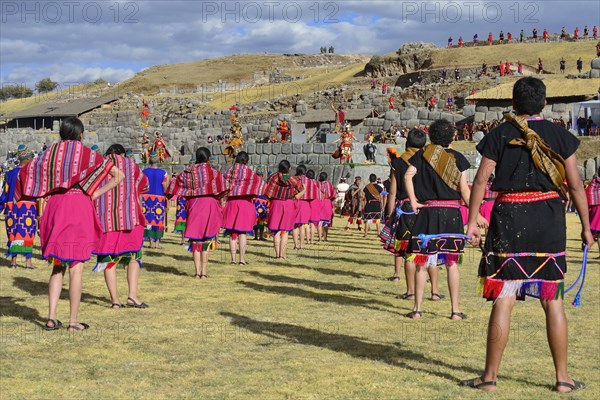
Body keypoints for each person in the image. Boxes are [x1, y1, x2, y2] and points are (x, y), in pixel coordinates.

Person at [462, 76, 592, 393]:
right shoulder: (561, 136)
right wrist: (587, 228)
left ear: (514, 104)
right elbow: (575, 185)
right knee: (553, 302)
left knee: (504, 300)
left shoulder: (499, 134)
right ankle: (563, 379)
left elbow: (480, 181)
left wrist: (471, 220)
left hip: (508, 220)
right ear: (544, 104)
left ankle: (490, 378)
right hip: (548, 221)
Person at [16, 117, 124, 331]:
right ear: (81, 134)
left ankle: (51, 317)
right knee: (76, 267)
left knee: (57, 266)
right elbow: (118, 175)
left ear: (61, 133)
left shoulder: (49, 154)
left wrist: (43, 190)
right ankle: (73, 322)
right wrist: (95, 192)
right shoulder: (88, 154)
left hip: (56, 206)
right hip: (79, 205)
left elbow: (25, 172)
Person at [404, 119, 487, 320]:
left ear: (431, 136)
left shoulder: (421, 156)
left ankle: (417, 310)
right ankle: (455, 311)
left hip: (428, 212)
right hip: (451, 213)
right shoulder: (458, 159)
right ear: (452, 137)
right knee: (452, 263)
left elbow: (407, 176)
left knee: (422, 262)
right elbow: (465, 191)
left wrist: (414, 202)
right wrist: (477, 216)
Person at [93, 144, 149, 309]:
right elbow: (143, 186)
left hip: (106, 220)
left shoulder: (99, 165)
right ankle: (132, 296)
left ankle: (115, 300)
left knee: (109, 260)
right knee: (133, 257)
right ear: (123, 154)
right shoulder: (131, 165)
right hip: (129, 219)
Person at [380, 129, 430, 295]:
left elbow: (392, 191)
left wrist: (389, 212)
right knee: (424, 248)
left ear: (407, 143)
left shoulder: (398, 162)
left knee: (408, 250)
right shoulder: (428, 160)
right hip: (425, 207)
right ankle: (433, 290)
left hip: (405, 209)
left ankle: (410, 291)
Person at [166, 147, 226, 278]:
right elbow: (224, 186)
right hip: (210, 205)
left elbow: (174, 184)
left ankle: (197, 272)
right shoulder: (213, 172)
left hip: (194, 204)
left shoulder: (188, 172)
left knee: (195, 240)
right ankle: (204, 272)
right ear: (209, 158)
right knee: (206, 240)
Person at [223, 151, 265, 265]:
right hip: (246, 203)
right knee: (242, 233)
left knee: (232, 233)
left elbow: (223, 184)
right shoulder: (249, 173)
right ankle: (242, 259)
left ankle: (233, 260)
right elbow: (261, 185)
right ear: (246, 161)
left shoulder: (229, 171)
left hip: (232, 203)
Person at [0, 145, 36, 269]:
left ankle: (13, 261)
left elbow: (4, 192)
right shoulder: (30, 173)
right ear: (25, 159)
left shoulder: (9, 174)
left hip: (12, 208)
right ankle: (28, 263)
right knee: (27, 233)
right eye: (30, 158)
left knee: (14, 232)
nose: (31, 160)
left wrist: (1, 207)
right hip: (27, 207)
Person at [264, 160, 305, 259]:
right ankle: (282, 254)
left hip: (276, 204)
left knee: (276, 231)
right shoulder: (292, 179)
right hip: (288, 204)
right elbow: (299, 189)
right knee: (285, 231)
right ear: (289, 168)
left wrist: (272, 200)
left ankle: (277, 255)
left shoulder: (273, 177)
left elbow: (267, 192)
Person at [142, 152, 169, 248]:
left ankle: (151, 242)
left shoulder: (144, 172)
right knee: (158, 219)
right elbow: (165, 188)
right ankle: (157, 242)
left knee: (148, 219)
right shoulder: (163, 173)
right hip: (159, 198)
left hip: (146, 198)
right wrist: (167, 203)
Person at [318, 172, 336, 241]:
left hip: (319, 202)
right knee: (325, 223)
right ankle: (325, 238)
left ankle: (320, 238)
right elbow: (334, 195)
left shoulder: (317, 184)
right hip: (327, 203)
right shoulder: (329, 184)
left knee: (319, 222)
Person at [586, 168, 600, 257]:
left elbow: (588, 193)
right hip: (597, 208)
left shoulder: (594, 182)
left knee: (598, 233)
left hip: (596, 208)